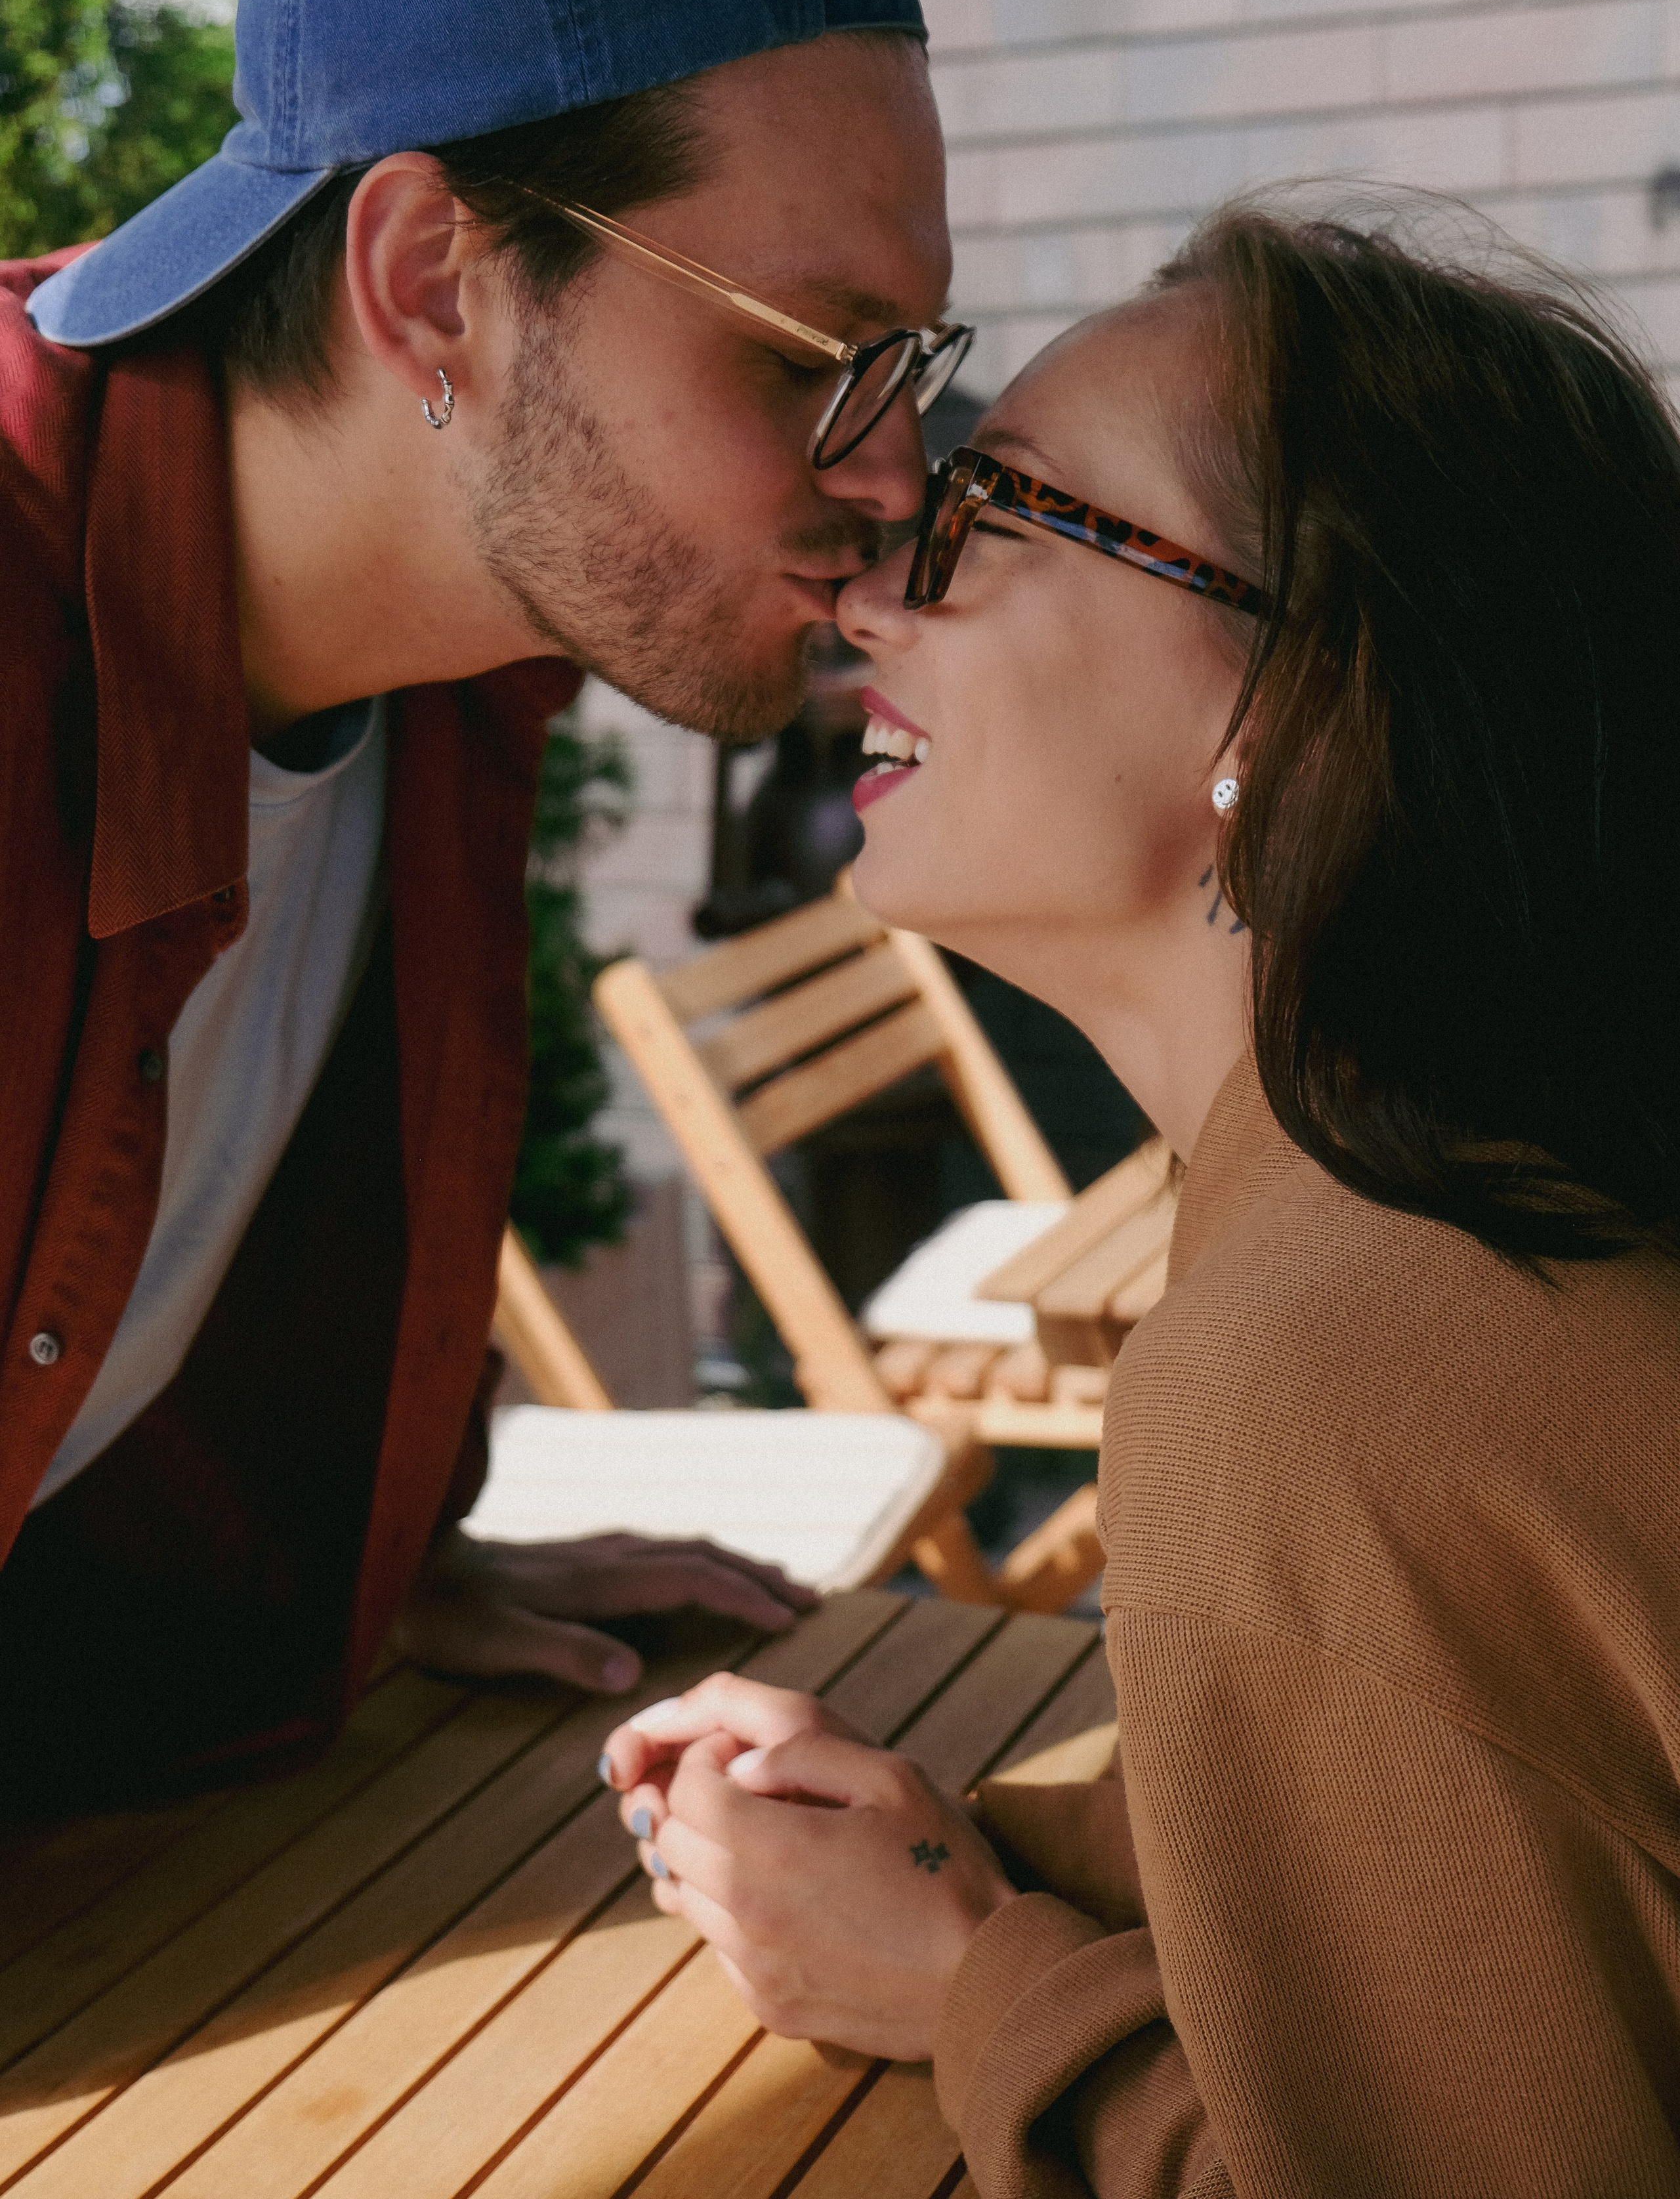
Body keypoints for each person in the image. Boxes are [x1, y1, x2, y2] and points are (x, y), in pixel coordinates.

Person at [602, 203, 1680, 2194]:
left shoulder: (1312, 1379)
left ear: (1289, 700)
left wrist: (974, 1990)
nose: (866, 595)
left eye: (991, 513)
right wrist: (972, 1855)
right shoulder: (1490, 1209)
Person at [0, 0, 971, 1811]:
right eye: (808, 359)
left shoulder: (468, 653)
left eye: (905, 367)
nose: (897, 481)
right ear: (433, 281)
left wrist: (353, 1548)